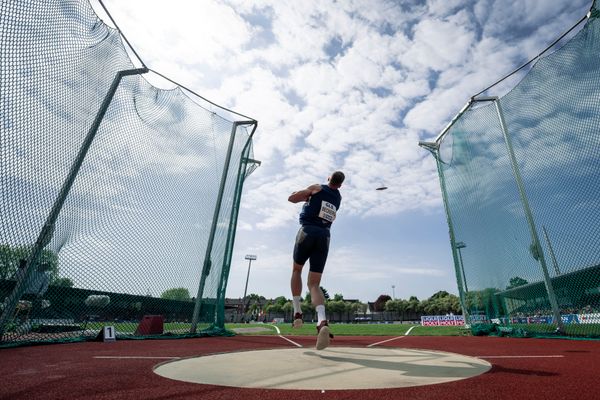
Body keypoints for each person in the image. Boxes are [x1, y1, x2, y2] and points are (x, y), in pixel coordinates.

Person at [288, 171, 344, 350]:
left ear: (329, 179)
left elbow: (292, 199)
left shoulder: (317, 188)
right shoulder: (338, 198)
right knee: (314, 284)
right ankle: (322, 321)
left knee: (297, 269)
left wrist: (304, 194)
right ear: (340, 185)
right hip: (325, 237)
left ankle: (297, 312)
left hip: (308, 231)